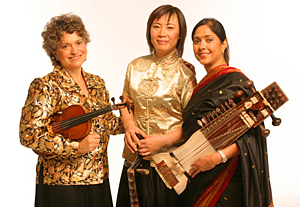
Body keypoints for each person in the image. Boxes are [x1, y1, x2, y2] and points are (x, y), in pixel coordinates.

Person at [19, 13, 124, 207]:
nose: (75, 50)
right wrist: (76, 148)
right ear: (54, 52)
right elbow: (29, 135)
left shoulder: (97, 83)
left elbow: (108, 124)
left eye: (79, 42)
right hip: (62, 182)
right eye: (65, 46)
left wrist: (132, 113)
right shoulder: (46, 85)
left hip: (97, 176)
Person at [179, 18, 273, 207]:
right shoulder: (201, 85)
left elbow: (253, 136)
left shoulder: (237, 81)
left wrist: (217, 158)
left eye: (208, 39)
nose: (201, 46)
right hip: (196, 173)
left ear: (223, 44)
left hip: (226, 178)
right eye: (196, 41)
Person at [116, 4, 197, 207]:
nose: (162, 33)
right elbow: (125, 104)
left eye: (170, 27)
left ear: (180, 35)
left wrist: (161, 141)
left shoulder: (185, 74)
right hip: (133, 160)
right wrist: (129, 126)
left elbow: (192, 125)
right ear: (149, 30)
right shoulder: (134, 66)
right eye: (156, 26)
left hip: (169, 166)